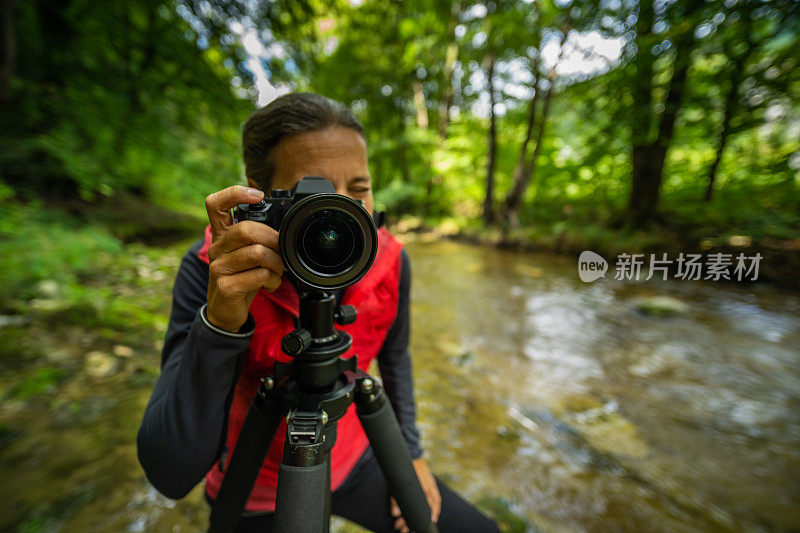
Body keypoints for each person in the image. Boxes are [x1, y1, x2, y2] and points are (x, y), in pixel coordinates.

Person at [137, 92, 500, 533]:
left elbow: (396, 357)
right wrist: (221, 320)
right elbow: (170, 474)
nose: (343, 211)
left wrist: (412, 455)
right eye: (316, 194)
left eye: (359, 190)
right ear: (259, 193)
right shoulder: (214, 271)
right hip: (254, 485)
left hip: (356, 457)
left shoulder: (389, 259)